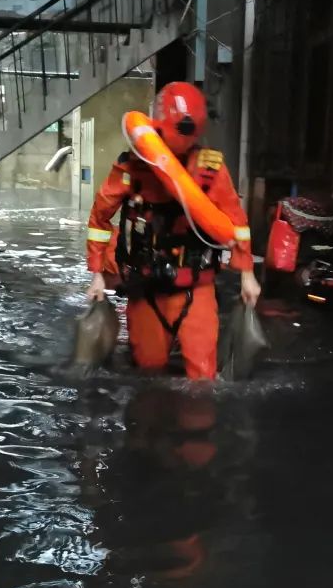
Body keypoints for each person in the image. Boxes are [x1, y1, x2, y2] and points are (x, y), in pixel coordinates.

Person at [85, 81, 260, 380]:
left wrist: (247, 275)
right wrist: (97, 274)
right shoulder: (132, 168)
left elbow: (237, 223)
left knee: (202, 378)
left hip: (196, 286)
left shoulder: (210, 169)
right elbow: (100, 218)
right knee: (148, 372)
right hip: (146, 288)